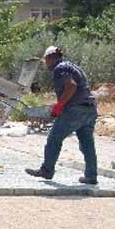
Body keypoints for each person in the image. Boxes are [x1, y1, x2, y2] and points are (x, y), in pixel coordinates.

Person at [26, 46, 98, 184]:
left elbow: (71, 86)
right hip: (90, 110)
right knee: (87, 144)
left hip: (74, 110)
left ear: (50, 57)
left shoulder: (59, 68)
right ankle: (91, 176)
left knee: (54, 139)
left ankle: (47, 170)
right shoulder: (72, 66)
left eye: (46, 60)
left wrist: (58, 107)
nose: (46, 63)